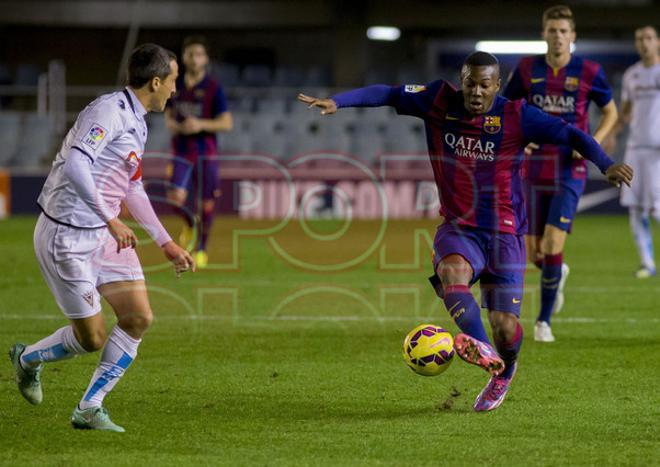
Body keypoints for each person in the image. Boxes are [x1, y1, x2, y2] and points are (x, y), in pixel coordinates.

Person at [298, 51, 632, 412]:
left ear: (496, 86)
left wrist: (607, 164)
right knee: (451, 272)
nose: (475, 92)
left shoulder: (517, 116)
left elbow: (570, 134)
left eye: (483, 85)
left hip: (506, 235)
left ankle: (503, 370)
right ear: (461, 79)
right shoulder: (438, 100)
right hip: (459, 227)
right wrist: (338, 101)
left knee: (506, 327)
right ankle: (482, 348)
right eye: (469, 83)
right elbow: (390, 93)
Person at [9, 43, 195, 432]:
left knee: (138, 317)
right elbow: (78, 164)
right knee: (91, 338)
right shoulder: (107, 111)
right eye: (173, 81)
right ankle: (27, 359)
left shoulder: (139, 121)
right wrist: (110, 219)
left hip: (104, 233)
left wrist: (166, 242)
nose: (175, 90)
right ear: (156, 81)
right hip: (67, 235)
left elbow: (133, 188)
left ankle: (89, 406)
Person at [503, 5, 618, 342]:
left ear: (573, 36)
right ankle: (556, 270)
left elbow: (609, 112)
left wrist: (593, 143)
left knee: (553, 242)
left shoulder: (589, 71)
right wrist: (517, 141)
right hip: (533, 168)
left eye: (563, 31)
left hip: (570, 168)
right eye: (552, 30)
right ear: (544, 34)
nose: (557, 36)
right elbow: (507, 110)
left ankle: (543, 322)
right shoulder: (526, 69)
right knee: (537, 251)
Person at [165, 35, 233, 268]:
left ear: (205, 59)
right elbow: (169, 113)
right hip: (182, 151)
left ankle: (202, 248)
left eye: (199, 54)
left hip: (206, 153)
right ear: (184, 57)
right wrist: (172, 124)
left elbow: (226, 122)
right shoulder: (175, 84)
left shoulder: (213, 88)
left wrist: (201, 124)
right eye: (190, 54)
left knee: (206, 203)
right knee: (175, 198)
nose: (194, 59)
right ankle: (189, 224)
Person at [618, 25, 660, 279]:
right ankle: (647, 263)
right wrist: (612, 134)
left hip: (658, 150)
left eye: (648, 38)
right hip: (635, 148)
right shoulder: (631, 75)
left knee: (657, 208)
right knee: (635, 208)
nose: (644, 43)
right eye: (639, 39)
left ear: (657, 42)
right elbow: (625, 111)